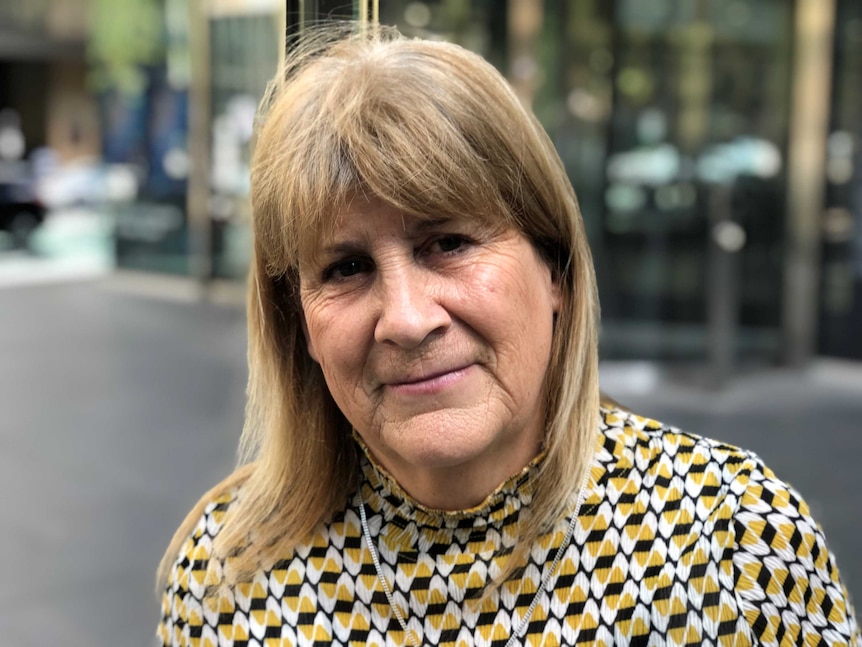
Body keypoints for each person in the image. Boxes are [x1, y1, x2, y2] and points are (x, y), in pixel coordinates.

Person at [157, 24, 860, 646]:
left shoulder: (729, 542)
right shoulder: (232, 572)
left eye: (448, 243)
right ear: (299, 324)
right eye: (346, 266)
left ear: (553, 269)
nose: (406, 317)